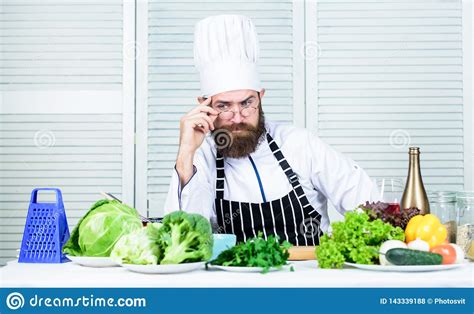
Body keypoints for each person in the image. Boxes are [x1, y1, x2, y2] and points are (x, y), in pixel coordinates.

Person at [164, 14, 380, 245]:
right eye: (224, 106)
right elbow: (182, 240)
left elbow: (365, 204)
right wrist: (186, 152)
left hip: (310, 277)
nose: (238, 118)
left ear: (261, 97)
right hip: (234, 279)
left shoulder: (299, 144)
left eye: (247, 103)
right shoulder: (202, 157)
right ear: (204, 106)